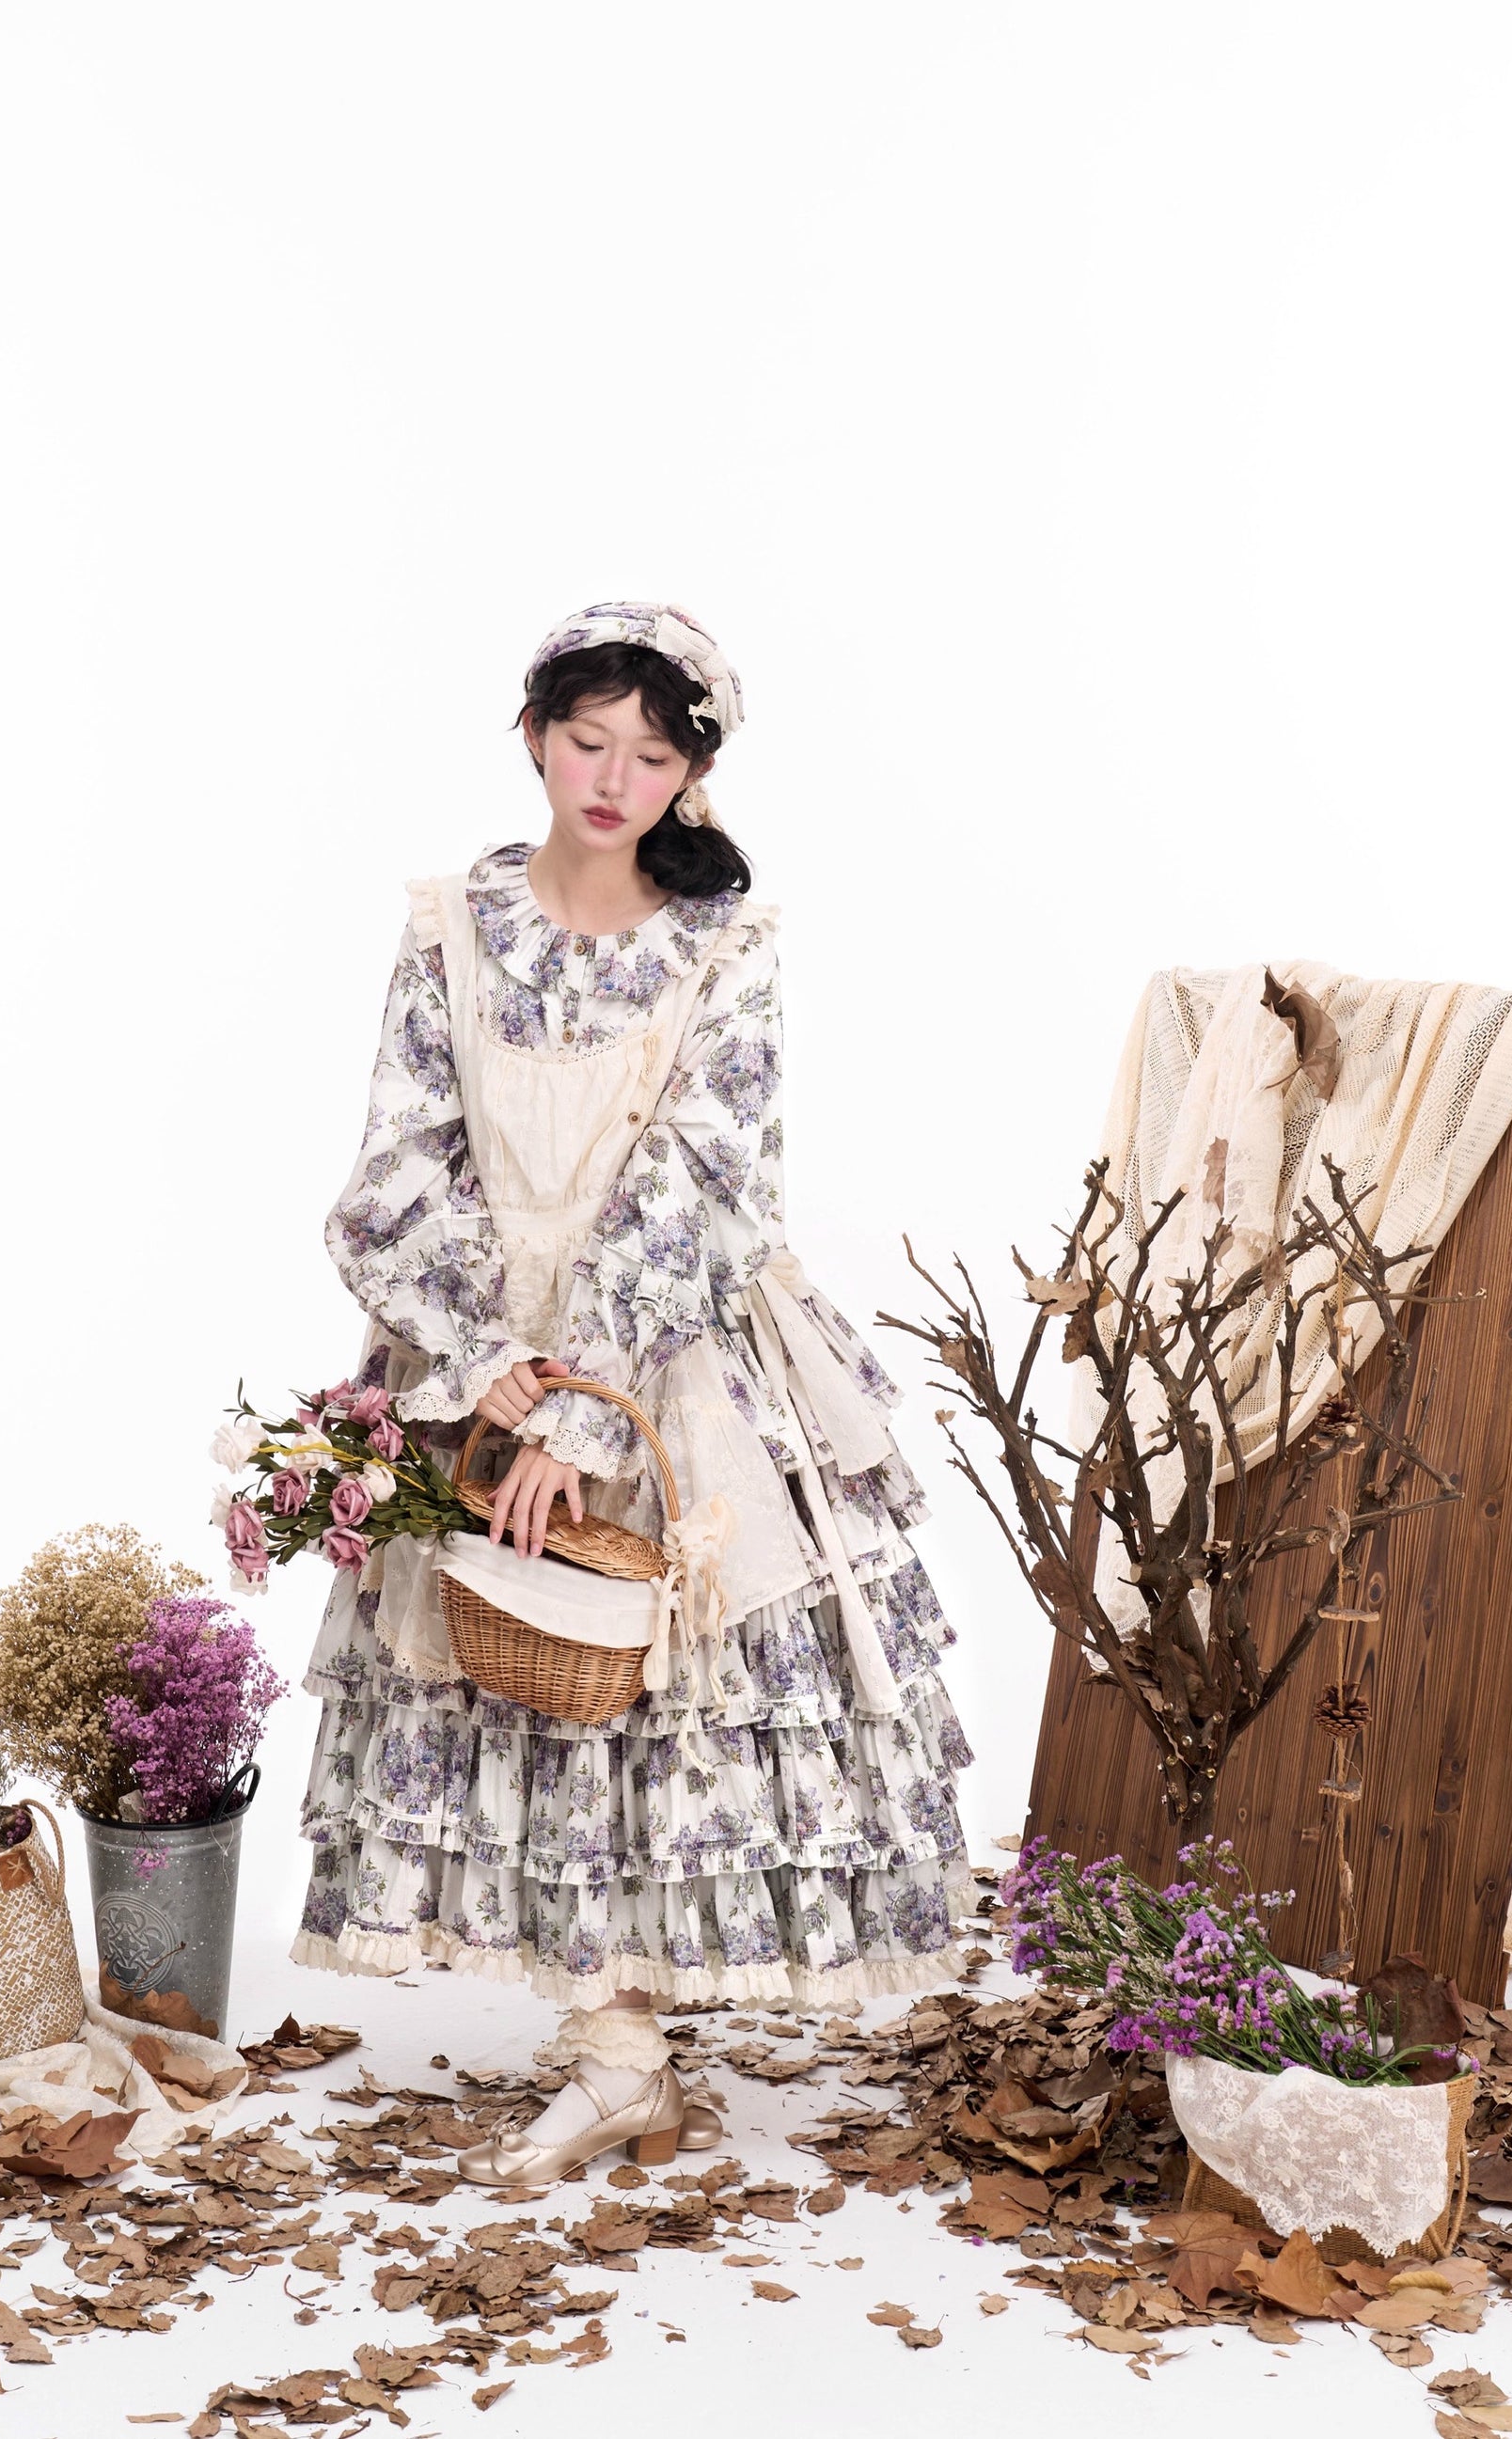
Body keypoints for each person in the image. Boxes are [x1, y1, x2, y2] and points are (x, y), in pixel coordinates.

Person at [293, 602, 970, 2183]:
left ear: (691, 774)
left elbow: (707, 1187)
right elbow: (396, 1169)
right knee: (513, 1662)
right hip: (481, 1343)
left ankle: (624, 2053)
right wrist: (486, 1372)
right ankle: (615, 2054)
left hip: (669, 1351)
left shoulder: (724, 946)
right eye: (587, 740)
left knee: (649, 1683)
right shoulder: (451, 926)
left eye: (651, 755)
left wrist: (583, 1410)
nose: (611, 779)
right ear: (533, 735)